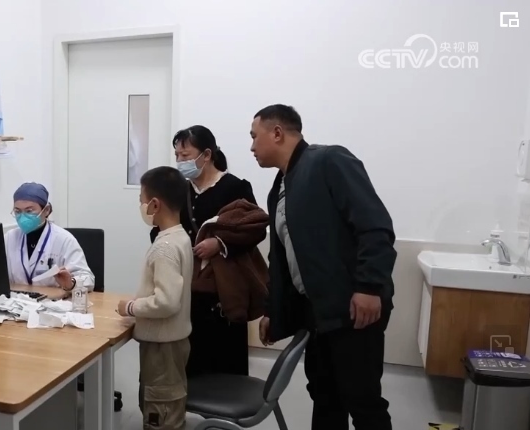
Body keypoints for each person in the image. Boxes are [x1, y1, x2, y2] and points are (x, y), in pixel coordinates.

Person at [251, 104, 395, 430]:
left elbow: (375, 228)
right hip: (316, 315)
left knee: (363, 402)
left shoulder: (329, 161)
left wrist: (369, 287)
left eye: (254, 136)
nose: (251, 146)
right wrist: (272, 309)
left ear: (277, 133)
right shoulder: (280, 187)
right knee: (325, 396)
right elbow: (281, 258)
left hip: (353, 310)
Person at [152, 125, 258, 378]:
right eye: (177, 156)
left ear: (207, 155)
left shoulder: (235, 187)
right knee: (187, 366)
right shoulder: (179, 191)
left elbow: (254, 229)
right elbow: (158, 230)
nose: (180, 161)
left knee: (224, 371)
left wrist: (220, 244)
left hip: (222, 293)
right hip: (185, 291)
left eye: (185, 155)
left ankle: (225, 403)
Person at [118, 166, 193, 430]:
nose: (141, 206)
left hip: (164, 346)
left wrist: (131, 307)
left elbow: (167, 302)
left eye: (142, 200)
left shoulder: (165, 247)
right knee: (164, 403)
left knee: (162, 412)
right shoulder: (180, 237)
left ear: (155, 204)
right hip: (171, 341)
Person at [5, 182, 95, 290]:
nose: (23, 217)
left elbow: (88, 279)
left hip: (54, 299)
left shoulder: (64, 239)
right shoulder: (9, 238)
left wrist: (71, 283)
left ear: (46, 210)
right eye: (17, 211)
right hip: (18, 299)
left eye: (29, 211)